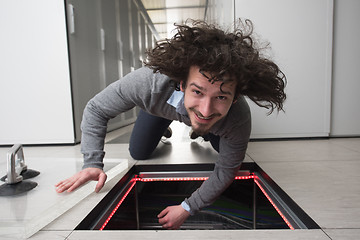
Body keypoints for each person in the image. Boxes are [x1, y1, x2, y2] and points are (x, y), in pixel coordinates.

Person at [55, 19, 286, 230]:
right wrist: (92, 162)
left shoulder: (238, 118)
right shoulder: (147, 83)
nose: (206, 109)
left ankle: (200, 131)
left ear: (235, 98)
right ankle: (168, 126)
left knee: (218, 145)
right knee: (139, 152)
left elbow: (226, 170)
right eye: (198, 91)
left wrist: (187, 207)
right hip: (160, 110)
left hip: (217, 125)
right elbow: (96, 109)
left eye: (221, 97)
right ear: (182, 84)